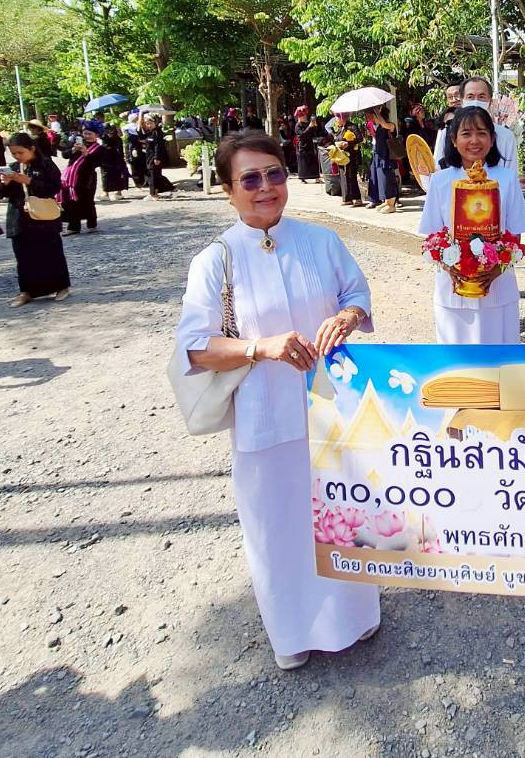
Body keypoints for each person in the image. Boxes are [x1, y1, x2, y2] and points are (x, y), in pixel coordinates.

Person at [173, 131, 379, 670]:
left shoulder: (321, 240)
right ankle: (292, 634)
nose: (265, 188)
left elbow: (357, 294)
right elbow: (194, 349)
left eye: (275, 174)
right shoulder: (214, 262)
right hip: (263, 418)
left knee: (341, 513)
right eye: (250, 179)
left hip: (330, 410)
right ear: (227, 189)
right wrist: (259, 347)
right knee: (277, 526)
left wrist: (347, 316)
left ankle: (354, 618)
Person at [418, 107, 525, 344]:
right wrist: (450, 267)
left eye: (481, 133)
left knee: (499, 359)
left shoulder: (507, 179)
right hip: (453, 286)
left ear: (492, 139)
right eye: (466, 133)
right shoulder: (440, 181)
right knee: (458, 365)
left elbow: (516, 234)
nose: (474, 140)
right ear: (454, 140)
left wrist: (496, 269)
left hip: (498, 285)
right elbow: (431, 237)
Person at [0, 131, 70, 306]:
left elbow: (53, 189)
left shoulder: (46, 164)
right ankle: (26, 291)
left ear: (31, 148)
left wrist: (29, 181)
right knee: (23, 256)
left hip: (43, 217)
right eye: (14, 153)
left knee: (50, 252)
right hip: (19, 216)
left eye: (20, 152)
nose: (17, 156)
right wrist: (5, 184)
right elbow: (1, 194)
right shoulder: (14, 167)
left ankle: (61, 286)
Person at [433, 78, 516, 170]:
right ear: (462, 100)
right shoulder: (447, 132)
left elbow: (511, 172)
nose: (476, 101)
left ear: (490, 101)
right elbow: (437, 168)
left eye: (481, 96)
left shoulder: (506, 136)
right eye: (470, 97)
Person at [61, 119, 106, 235]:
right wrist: (73, 149)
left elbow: (98, 163)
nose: (87, 136)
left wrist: (87, 154)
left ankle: (91, 224)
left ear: (97, 135)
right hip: (71, 178)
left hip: (87, 178)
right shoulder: (77, 143)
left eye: (90, 134)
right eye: (85, 133)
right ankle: (73, 226)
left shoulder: (99, 148)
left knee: (87, 201)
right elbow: (64, 155)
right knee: (71, 201)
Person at [368, 104, 402, 213]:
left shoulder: (390, 125)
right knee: (382, 179)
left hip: (388, 156)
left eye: (375, 116)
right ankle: (386, 201)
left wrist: (376, 111)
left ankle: (391, 204)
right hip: (380, 155)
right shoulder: (378, 128)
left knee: (388, 179)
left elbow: (384, 124)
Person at [327, 112, 366, 206]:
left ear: (341, 118)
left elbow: (360, 138)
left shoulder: (352, 127)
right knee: (343, 176)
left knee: (351, 176)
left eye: (337, 118)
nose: (336, 120)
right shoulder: (340, 129)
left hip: (351, 156)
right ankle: (347, 198)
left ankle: (357, 198)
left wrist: (349, 143)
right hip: (341, 157)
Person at [139, 115, 174, 198]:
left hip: (154, 158)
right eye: (147, 123)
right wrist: (140, 125)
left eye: (150, 123)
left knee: (153, 176)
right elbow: (143, 138)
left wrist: (157, 158)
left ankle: (153, 194)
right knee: (155, 175)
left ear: (155, 123)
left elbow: (158, 146)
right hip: (149, 157)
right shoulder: (150, 133)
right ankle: (156, 192)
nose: (148, 125)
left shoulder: (157, 133)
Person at [99, 124, 130, 201]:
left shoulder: (105, 138)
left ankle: (106, 193)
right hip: (117, 160)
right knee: (117, 175)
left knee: (106, 176)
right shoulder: (117, 138)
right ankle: (118, 193)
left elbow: (105, 147)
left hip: (107, 160)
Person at [292, 106, 321, 183]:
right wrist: (309, 127)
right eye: (303, 116)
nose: (305, 117)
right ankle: (302, 178)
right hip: (302, 145)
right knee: (302, 162)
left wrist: (314, 126)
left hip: (310, 144)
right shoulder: (297, 126)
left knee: (313, 161)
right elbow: (302, 135)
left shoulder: (307, 123)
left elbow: (313, 133)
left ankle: (316, 177)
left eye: (305, 115)